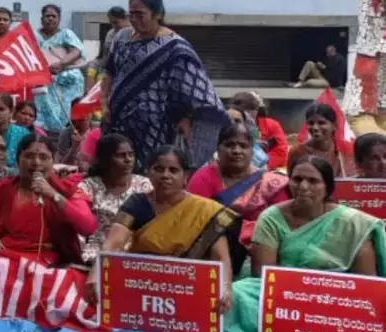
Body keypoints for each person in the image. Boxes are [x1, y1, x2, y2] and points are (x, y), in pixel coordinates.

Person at [226, 156, 386, 332]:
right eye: (297, 179)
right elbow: (262, 275)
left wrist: (322, 296)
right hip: (283, 295)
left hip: (336, 299)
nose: (303, 186)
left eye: (313, 181)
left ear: (327, 187)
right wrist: (300, 295)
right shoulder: (271, 217)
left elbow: (367, 284)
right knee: (237, 292)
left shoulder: (354, 223)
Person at [92, 147, 235, 313]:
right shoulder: (137, 203)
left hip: (188, 287)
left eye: (173, 170)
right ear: (149, 172)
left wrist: (225, 288)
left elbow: (221, 256)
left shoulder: (206, 211)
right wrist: (96, 274)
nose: (165, 175)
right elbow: (113, 243)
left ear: (186, 176)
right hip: (142, 285)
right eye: (158, 169)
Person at [100, 0, 227, 173]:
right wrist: (104, 102)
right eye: (131, 14)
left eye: (140, 15)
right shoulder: (122, 38)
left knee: (152, 171)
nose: (134, 19)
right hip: (117, 120)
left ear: (157, 14)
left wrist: (188, 116)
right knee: (116, 169)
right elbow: (109, 71)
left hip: (155, 125)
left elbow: (194, 86)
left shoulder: (174, 47)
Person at [0, 135, 97, 267]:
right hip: (3, 257)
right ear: (18, 160)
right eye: (29, 156)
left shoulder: (68, 190)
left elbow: (88, 226)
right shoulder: (0, 189)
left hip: (47, 263)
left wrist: (54, 195)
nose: (36, 163)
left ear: (53, 161)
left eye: (43, 157)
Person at [188, 121, 290, 272]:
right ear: (218, 148)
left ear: (252, 150)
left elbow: (282, 225)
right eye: (229, 145)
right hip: (213, 253)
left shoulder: (269, 183)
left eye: (243, 146)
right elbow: (194, 220)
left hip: (263, 253)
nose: (236, 151)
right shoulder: (204, 177)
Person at [77, 134, 152, 265]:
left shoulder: (143, 185)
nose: (128, 160)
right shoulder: (88, 187)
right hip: (94, 253)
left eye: (131, 154)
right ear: (106, 160)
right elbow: (79, 226)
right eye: (121, 155)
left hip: (134, 254)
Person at [34, 4, 85, 134]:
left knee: (68, 113)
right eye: (47, 16)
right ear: (41, 19)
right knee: (45, 114)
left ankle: (69, 135)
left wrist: (61, 64)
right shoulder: (34, 35)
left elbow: (77, 51)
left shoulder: (66, 34)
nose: (50, 19)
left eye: (54, 16)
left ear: (59, 19)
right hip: (44, 81)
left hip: (67, 82)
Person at [287, 103, 350, 177]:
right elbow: (292, 180)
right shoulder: (298, 152)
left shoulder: (346, 149)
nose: (315, 128)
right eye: (311, 123)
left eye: (321, 123)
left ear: (334, 126)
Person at [228, 92, 288, 171]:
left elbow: (281, 152)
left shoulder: (271, 125)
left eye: (252, 111)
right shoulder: (227, 126)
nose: (249, 116)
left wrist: (262, 164)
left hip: (264, 167)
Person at [91, 6, 130, 74]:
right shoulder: (111, 33)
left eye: (116, 22)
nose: (114, 26)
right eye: (111, 23)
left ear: (126, 19)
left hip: (123, 66)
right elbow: (105, 54)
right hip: (107, 65)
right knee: (91, 67)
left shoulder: (133, 32)